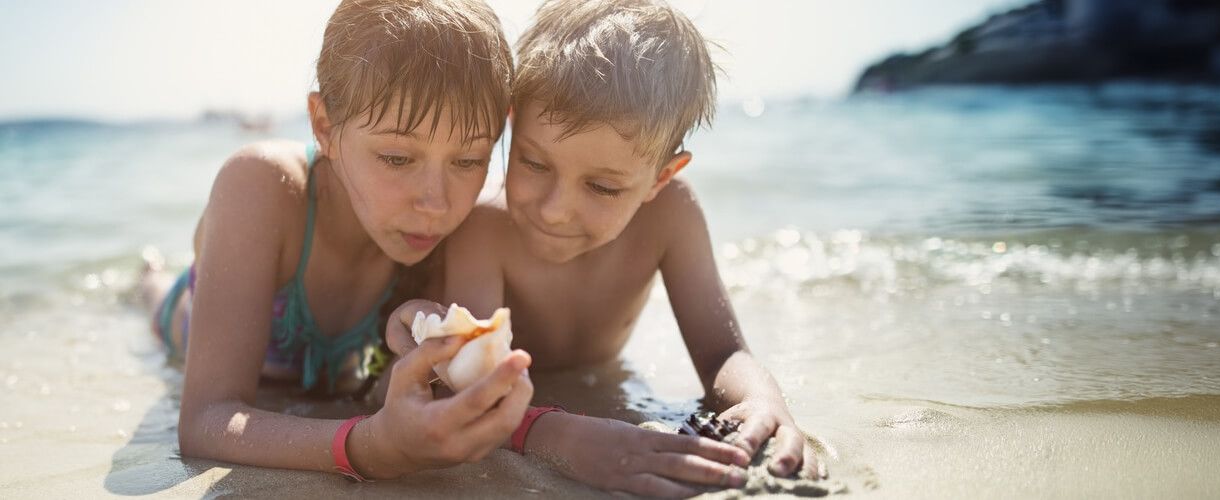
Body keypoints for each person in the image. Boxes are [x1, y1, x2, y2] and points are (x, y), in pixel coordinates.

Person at [386, 0, 824, 496]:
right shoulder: (485, 226)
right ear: (513, 122)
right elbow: (471, 385)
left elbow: (722, 352)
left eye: (603, 188)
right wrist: (555, 433)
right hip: (533, 401)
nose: (554, 209)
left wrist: (764, 401)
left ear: (660, 177)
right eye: (534, 163)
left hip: (601, 380)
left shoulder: (671, 214)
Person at [137, 0, 532, 480]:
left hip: (318, 363)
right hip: (191, 314)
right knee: (157, 302)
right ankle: (149, 278)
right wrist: (368, 446)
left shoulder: (459, 225)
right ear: (325, 127)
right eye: (396, 157)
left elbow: (393, 390)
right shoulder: (263, 187)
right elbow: (205, 419)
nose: (436, 202)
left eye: (469, 160)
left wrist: (421, 357)